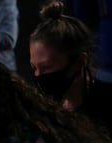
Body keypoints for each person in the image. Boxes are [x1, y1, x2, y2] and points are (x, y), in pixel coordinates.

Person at [30, 1, 112, 135]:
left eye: (47, 67)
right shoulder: (44, 111)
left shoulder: (107, 101)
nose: (39, 76)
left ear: (80, 62)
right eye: (34, 68)